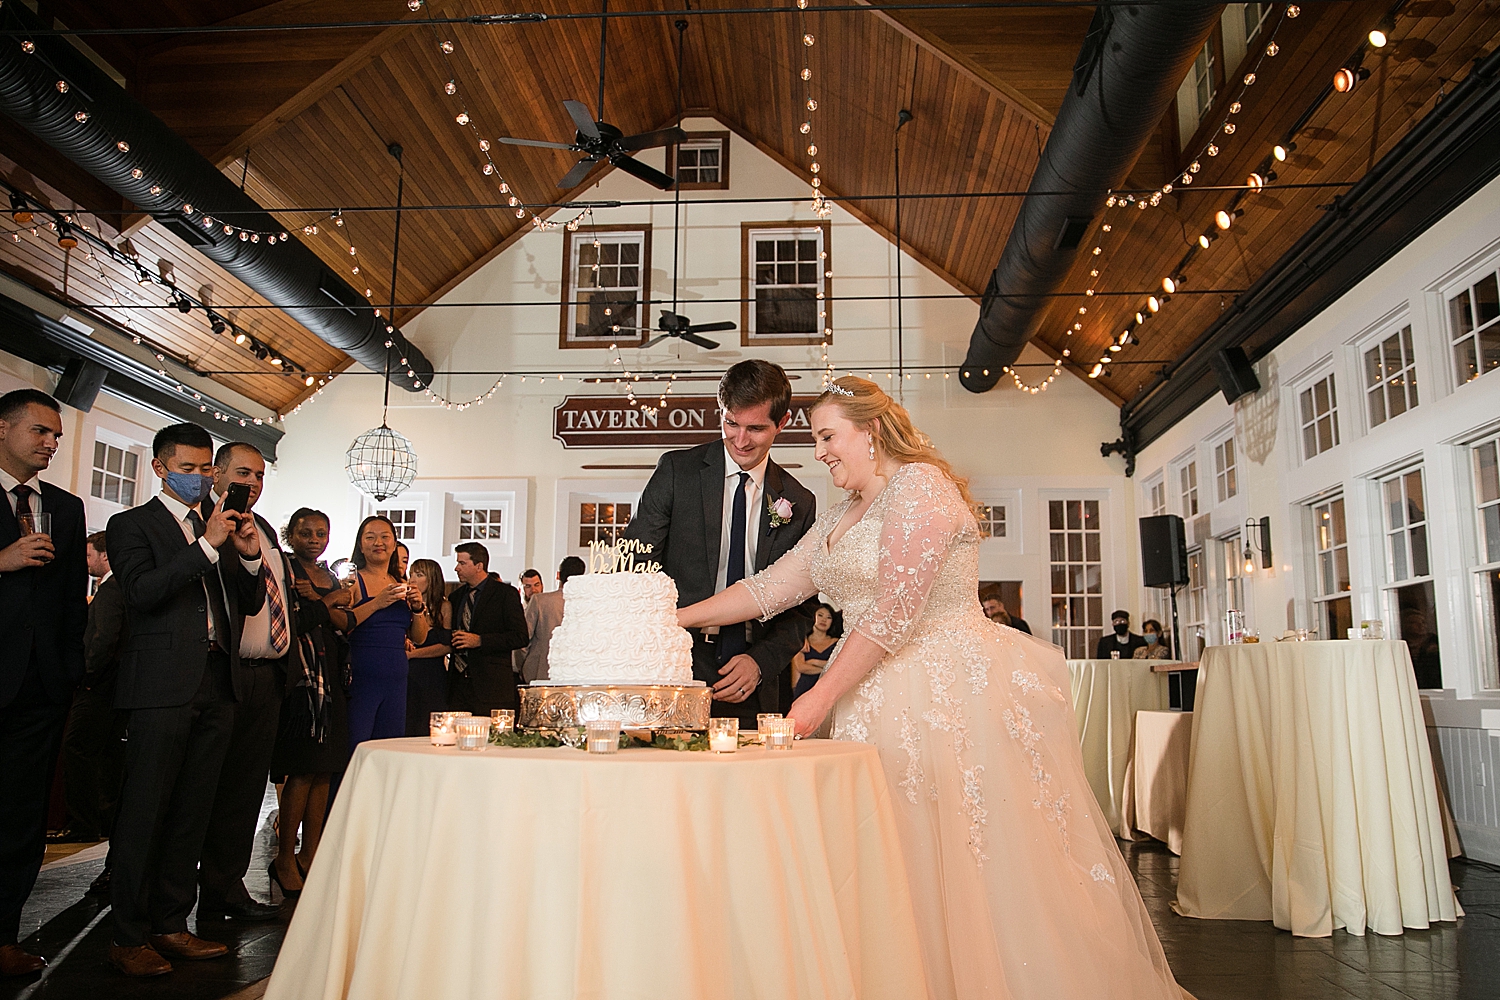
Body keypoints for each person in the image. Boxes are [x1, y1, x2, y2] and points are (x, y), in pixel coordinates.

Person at [679, 376, 1183, 1000]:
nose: (821, 452)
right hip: (870, 693)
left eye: (829, 436)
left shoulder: (923, 489)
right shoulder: (842, 514)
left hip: (943, 694)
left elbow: (894, 611)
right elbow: (771, 586)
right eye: (817, 439)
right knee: (888, 855)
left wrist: (817, 697)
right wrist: (671, 617)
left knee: (958, 858)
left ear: (869, 432)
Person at [105, 421, 265, 977]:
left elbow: (243, 605)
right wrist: (206, 547)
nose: (200, 478)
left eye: (206, 470)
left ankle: (172, 924)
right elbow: (143, 593)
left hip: (218, 682)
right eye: (189, 469)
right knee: (145, 810)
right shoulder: (131, 525)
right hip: (161, 685)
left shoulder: (218, 525)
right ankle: (126, 935)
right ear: (161, 468)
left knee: (192, 812)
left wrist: (245, 557)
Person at [623, 360, 817, 728]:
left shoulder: (799, 500)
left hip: (752, 681)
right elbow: (635, 568)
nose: (741, 440)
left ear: (783, 423)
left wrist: (761, 662)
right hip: (673, 665)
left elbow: (801, 609)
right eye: (731, 423)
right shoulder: (677, 472)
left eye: (756, 428)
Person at [0, 389, 86, 978]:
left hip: (40, 685)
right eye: (39, 431)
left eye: (56, 435)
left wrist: (68, 673)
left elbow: (71, 600)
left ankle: (3, 934)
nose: (50, 443)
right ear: (3, 428)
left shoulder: (66, 505)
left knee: (22, 818)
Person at [197, 443, 293, 924]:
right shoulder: (206, 527)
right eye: (242, 473)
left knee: (246, 791)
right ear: (216, 473)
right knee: (208, 788)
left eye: (259, 475)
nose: (252, 483)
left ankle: (226, 886)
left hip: (267, 676)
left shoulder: (265, 529)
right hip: (225, 675)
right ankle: (184, 893)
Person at [268, 508, 351, 896]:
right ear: (291, 535)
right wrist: (329, 601)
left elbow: (341, 622)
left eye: (321, 532)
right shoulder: (284, 569)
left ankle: (312, 855)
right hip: (300, 679)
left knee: (325, 770)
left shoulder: (330, 575)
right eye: (306, 532)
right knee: (301, 769)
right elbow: (290, 620)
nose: (314, 539)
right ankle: (285, 856)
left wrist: (325, 598)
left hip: (330, 676)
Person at [60, 532, 129, 852]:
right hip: (115, 687)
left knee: (78, 750)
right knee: (106, 755)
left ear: (105, 556)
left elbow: (103, 639)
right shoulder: (121, 588)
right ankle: (102, 819)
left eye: (89, 556)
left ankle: (82, 822)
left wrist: (85, 674)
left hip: (98, 687)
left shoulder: (111, 591)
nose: (86, 562)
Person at [341, 517, 429, 751]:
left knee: (389, 748)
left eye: (385, 537)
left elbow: (419, 638)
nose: (378, 542)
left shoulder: (401, 582)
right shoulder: (353, 580)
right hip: (362, 676)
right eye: (370, 537)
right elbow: (342, 625)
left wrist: (418, 608)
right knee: (355, 746)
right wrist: (378, 603)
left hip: (397, 677)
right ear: (361, 545)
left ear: (394, 544)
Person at [447, 543, 527, 714]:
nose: (456, 568)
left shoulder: (505, 594)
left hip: (491, 685)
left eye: (462, 563)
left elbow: (520, 636)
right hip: (458, 685)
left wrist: (480, 641)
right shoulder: (456, 597)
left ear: (479, 566)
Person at [404, 558, 451, 735]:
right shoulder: (405, 606)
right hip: (408, 674)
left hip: (433, 675)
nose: (412, 580)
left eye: (419, 575)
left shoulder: (444, 607)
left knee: (431, 726)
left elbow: (447, 647)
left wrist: (412, 655)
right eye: (411, 575)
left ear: (432, 579)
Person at [519, 556, 584, 684]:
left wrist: (520, 666)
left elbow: (523, 639)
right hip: (576, 672)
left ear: (558, 575)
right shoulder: (587, 603)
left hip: (540, 671)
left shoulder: (540, 601)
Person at [791, 603, 839, 699]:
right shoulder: (802, 641)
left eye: (828, 617)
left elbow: (838, 665)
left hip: (828, 689)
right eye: (820, 615)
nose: (824, 620)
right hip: (804, 689)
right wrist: (827, 670)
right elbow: (801, 667)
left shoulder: (837, 642)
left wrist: (814, 662)